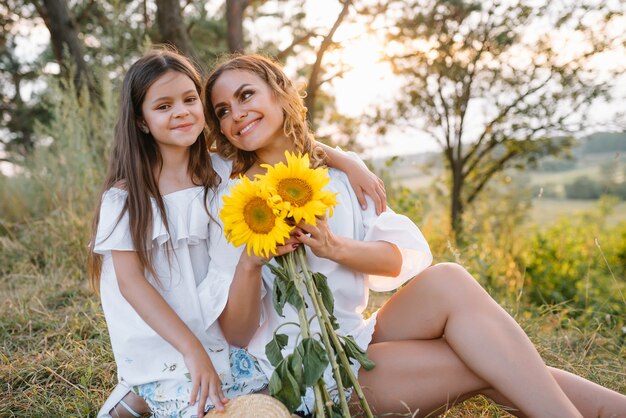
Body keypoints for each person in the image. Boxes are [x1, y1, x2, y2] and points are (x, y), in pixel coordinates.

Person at [203, 53, 626, 418]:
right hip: (311, 371)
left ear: (280, 93)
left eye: (245, 95)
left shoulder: (337, 175)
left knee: (449, 279)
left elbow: (398, 260)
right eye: (222, 110)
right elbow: (237, 334)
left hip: (353, 338)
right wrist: (251, 262)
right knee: (486, 358)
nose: (235, 114)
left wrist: (335, 246)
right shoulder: (234, 199)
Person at [89, 47, 386, 418]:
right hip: (168, 341)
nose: (181, 111)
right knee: (197, 398)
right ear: (141, 121)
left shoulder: (224, 171)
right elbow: (131, 285)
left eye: (189, 99)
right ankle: (138, 394)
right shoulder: (126, 197)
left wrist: (346, 162)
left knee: (268, 407)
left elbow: (284, 149)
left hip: (224, 338)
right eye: (163, 106)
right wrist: (191, 350)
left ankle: (147, 395)